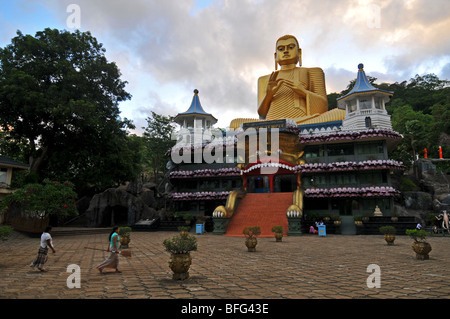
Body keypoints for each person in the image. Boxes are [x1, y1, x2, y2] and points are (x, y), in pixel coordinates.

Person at [229, 34, 345, 129]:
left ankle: (287, 126)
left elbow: (323, 107)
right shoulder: (264, 79)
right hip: (271, 123)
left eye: (290, 47)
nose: (285, 51)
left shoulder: (313, 72)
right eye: (281, 49)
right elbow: (262, 113)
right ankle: (280, 126)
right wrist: (269, 94)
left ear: (299, 52)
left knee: (342, 113)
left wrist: (303, 92)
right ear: (275, 56)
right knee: (235, 123)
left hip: (303, 121)